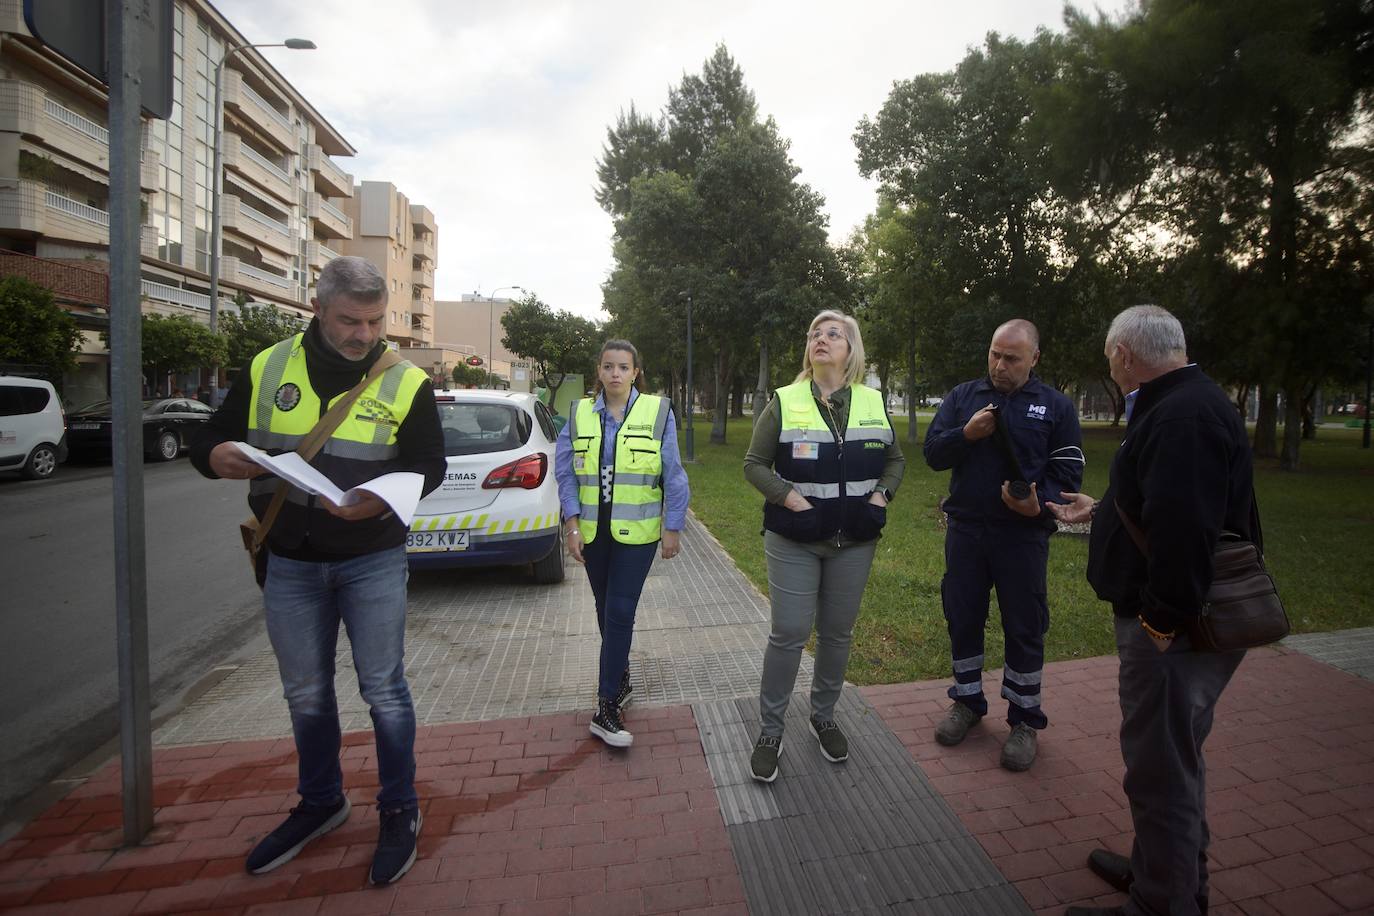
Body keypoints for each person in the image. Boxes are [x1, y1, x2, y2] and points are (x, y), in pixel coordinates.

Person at [191, 256, 445, 886]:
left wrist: (379, 499)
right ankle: (322, 801)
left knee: (384, 690)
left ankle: (399, 809)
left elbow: (428, 466)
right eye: (349, 321)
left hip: (372, 559)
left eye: (375, 321)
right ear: (318, 310)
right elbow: (215, 436)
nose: (364, 334)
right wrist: (215, 455)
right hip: (291, 562)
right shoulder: (268, 365)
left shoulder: (405, 381)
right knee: (304, 693)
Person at [1049, 306, 1254, 916]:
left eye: (1110, 356)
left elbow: (1186, 530)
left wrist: (1162, 622)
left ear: (1126, 354)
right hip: (1180, 624)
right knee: (1174, 759)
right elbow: (1164, 498)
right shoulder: (1181, 401)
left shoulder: (1182, 415)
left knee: (1159, 769)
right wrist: (1106, 507)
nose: (1109, 365)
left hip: (1174, 631)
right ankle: (1166, 875)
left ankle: (1161, 902)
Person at [744, 310, 904, 782]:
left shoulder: (873, 402)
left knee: (837, 634)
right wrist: (791, 500)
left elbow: (894, 460)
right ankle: (771, 731)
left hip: (854, 541)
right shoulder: (784, 400)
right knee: (789, 632)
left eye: (834, 333)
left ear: (850, 349)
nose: (822, 338)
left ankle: (823, 715)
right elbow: (754, 464)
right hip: (795, 539)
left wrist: (880, 496)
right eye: (815, 332)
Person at [923, 319, 1083, 771]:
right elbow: (934, 453)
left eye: (1011, 358)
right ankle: (967, 702)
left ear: (1034, 358)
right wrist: (966, 434)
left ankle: (1024, 718)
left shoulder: (1055, 407)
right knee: (963, 615)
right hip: (968, 532)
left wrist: (1038, 506)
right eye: (995, 354)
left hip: (1022, 538)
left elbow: (1067, 477)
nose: (1000, 365)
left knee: (1024, 624)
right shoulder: (963, 398)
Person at [554, 339, 689, 748]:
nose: (615, 373)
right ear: (599, 370)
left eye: (623, 367)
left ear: (635, 372)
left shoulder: (657, 411)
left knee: (618, 612)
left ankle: (606, 705)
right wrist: (572, 526)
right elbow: (566, 475)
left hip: (638, 535)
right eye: (608, 366)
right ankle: (621, 675)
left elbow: (674, 473)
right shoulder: (578, 415)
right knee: (604, 609)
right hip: (594, 534)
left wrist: (673, 526)